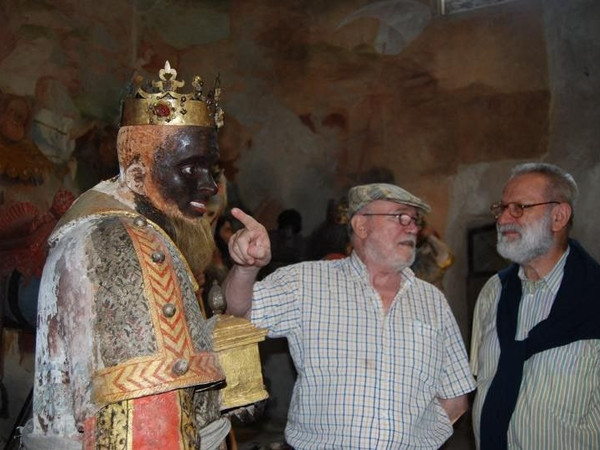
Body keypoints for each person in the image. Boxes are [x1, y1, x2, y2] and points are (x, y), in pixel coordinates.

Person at [22, 61, 232, 449]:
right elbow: (146, 427)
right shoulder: (127, 247)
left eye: (211, 168)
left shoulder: (99, 227)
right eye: (191, 168)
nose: (209, 185)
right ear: (137, 173)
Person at [223, 182, 475, 449]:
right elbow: (239, 312)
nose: (412, 227)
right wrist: (245, 268)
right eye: (400, 216)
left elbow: (455, 397)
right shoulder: (306, 283)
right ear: (361, 225)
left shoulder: (431, 300)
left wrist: (419, 444)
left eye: (414, 219)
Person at [470, 162, 600, 450]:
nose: (504, 219)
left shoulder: (594, 298)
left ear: (559, 216)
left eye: (519, 207)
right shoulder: (493, 293)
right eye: (501, 208)